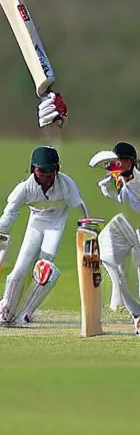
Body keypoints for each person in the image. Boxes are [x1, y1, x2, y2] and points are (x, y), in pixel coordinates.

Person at [0, 146, 87, 327]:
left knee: (44, 269)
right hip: (35, 225)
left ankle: (25, 313)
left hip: (56, 225)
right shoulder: (25, 188)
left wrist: (89, 230)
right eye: (42, 171)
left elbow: (81, 208)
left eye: (51, 171)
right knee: (19, 271)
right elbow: (10, 211)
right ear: (33, 169)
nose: (46, 176)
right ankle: (5, 309)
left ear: (57, 170)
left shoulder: (66, 184)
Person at [93, 141, 140, 334]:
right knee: (111, 259)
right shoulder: (110, 180)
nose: (118, 163)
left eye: (122, 160)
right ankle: (137, 314)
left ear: (131, 162)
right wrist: (111, 185)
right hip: (122, 223)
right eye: (115, 160)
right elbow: (112, 199)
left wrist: (124, 186)